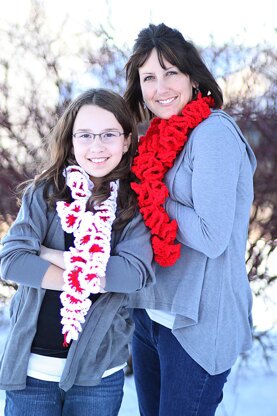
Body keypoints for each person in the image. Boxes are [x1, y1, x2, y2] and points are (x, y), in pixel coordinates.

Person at [124, 23, 257, 416]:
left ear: (192, 77)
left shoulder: (212, 133)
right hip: (152, 315)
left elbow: (212, 235)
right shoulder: (161, 138)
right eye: (149, 77)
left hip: (197, 324)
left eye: (171, 73)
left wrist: (151, 195)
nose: (160, 86)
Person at [0, 88, 155, 416]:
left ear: (127, 140)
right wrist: (90, 271)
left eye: (109, 134)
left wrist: (50, 256)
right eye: (85, 135)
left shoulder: (135, 204)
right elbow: (12, 262)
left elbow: (132, 275)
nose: (96, 146)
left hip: (97, 372)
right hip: (32, 371)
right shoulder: (45, 193)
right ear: (70, 140)